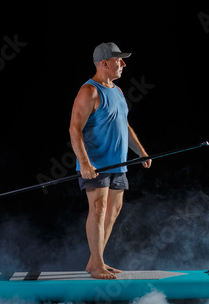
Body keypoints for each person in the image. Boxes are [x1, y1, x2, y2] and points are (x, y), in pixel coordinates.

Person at [69, 42, 151, 280]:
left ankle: (96, 261)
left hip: (119, 165)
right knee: (98, 208)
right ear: (104, 63)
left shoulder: (117, 90)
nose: (123, 64)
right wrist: (84, 163)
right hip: (96, 165)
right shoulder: (89, 91)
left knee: (113, 210)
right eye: (119, 60)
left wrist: (141, 152)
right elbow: (75, 129)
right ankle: (97, 265)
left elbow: (124, 126)